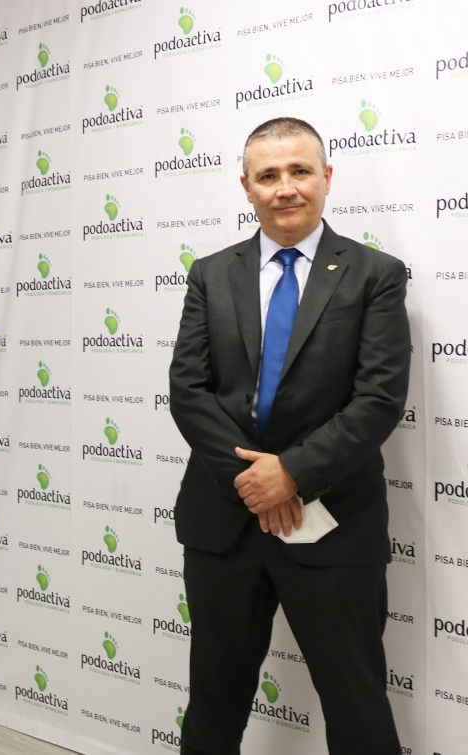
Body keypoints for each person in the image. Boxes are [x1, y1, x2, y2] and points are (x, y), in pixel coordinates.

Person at [168, 117, 409, 755]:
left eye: (300, 171)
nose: (285, 188)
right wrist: (255, 481)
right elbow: (189, 390)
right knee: (214, 701)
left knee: (356, 704)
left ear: (326, 177)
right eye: (268, 175)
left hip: (334, 525)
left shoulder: (375, 274)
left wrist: (292, 473)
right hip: (224, 524)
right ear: (246, 187)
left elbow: (379, 399)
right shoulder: (211, 274)